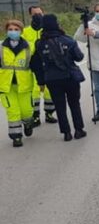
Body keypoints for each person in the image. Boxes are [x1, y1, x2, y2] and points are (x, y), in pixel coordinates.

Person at [30, 14, 87, 142]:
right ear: (57, 24)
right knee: (74, 104)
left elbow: (36, 64)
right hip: (69, 77)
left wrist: (41, 81)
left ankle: (66, 133)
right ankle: (79, 130)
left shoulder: (40, 43)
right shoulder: (68, 40)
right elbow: (79, 57)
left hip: (52, 79)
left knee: (60, 106)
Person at [1, 19, 35, 147]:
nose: (13, 32)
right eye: (10, 29)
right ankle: (16, 137)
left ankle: (28, 123)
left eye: (16, 30)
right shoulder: (1, 48)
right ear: (6, 31)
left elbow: (36, 65)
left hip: (24, 86)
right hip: (6, 86)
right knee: (13, 111)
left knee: (27, 111)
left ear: (21, 31)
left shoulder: (30, 47)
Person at [21, 5, 57, 126]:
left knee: (49, 91)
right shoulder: (25, 31)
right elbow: (23, 48)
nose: (38, 16)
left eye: (40, 13)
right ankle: (35, 116)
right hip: (33, 65)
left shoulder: (47, 30)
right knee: (34, 92)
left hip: (47, 64)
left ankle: (49, 113)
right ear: (30, 16)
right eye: (35, 14)